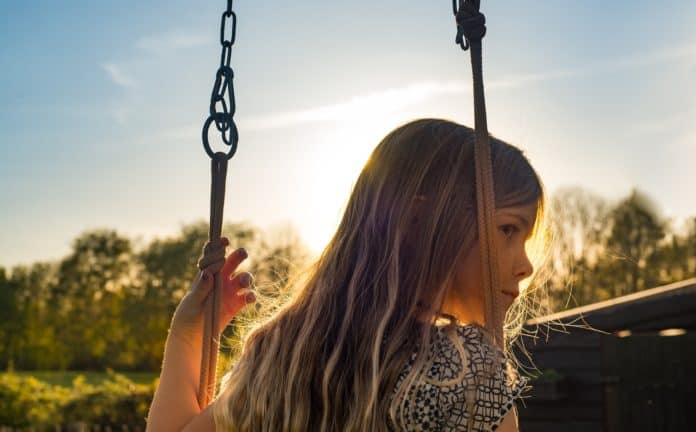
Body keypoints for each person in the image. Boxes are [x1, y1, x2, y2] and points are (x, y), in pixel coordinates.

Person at [147, 118, 552, 431]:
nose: (525, 265)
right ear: (416, 219)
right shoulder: (466, 370)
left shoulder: (280, 358)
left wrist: (187, 336)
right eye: (508, 231)